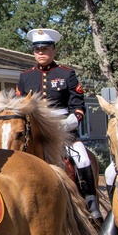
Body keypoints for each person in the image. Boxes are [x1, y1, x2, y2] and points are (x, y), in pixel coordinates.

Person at [16, 28, 102, 221]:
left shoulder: (66, 74)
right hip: (36, 133)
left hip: (64, 131)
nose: (41, 53)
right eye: (37, 50)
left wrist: (66, 124)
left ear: (54, 51)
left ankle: (91, 201)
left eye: (45, 49)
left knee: (82, 159)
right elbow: (20, 108)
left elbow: (78, 109)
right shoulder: (25, 77)